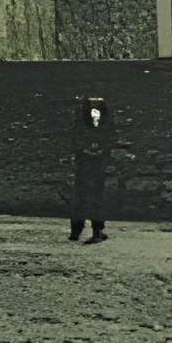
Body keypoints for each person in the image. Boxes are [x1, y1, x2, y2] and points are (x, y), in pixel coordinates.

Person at [69, 91, 112, 244]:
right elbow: (109, 135)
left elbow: (75, 135)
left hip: (86, 159)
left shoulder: (81, 114)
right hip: (92, 160)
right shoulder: (104, 114)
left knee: (83, 194)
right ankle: (95, 230)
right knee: (94, 194)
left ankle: (78, 230)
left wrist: (83, 149)